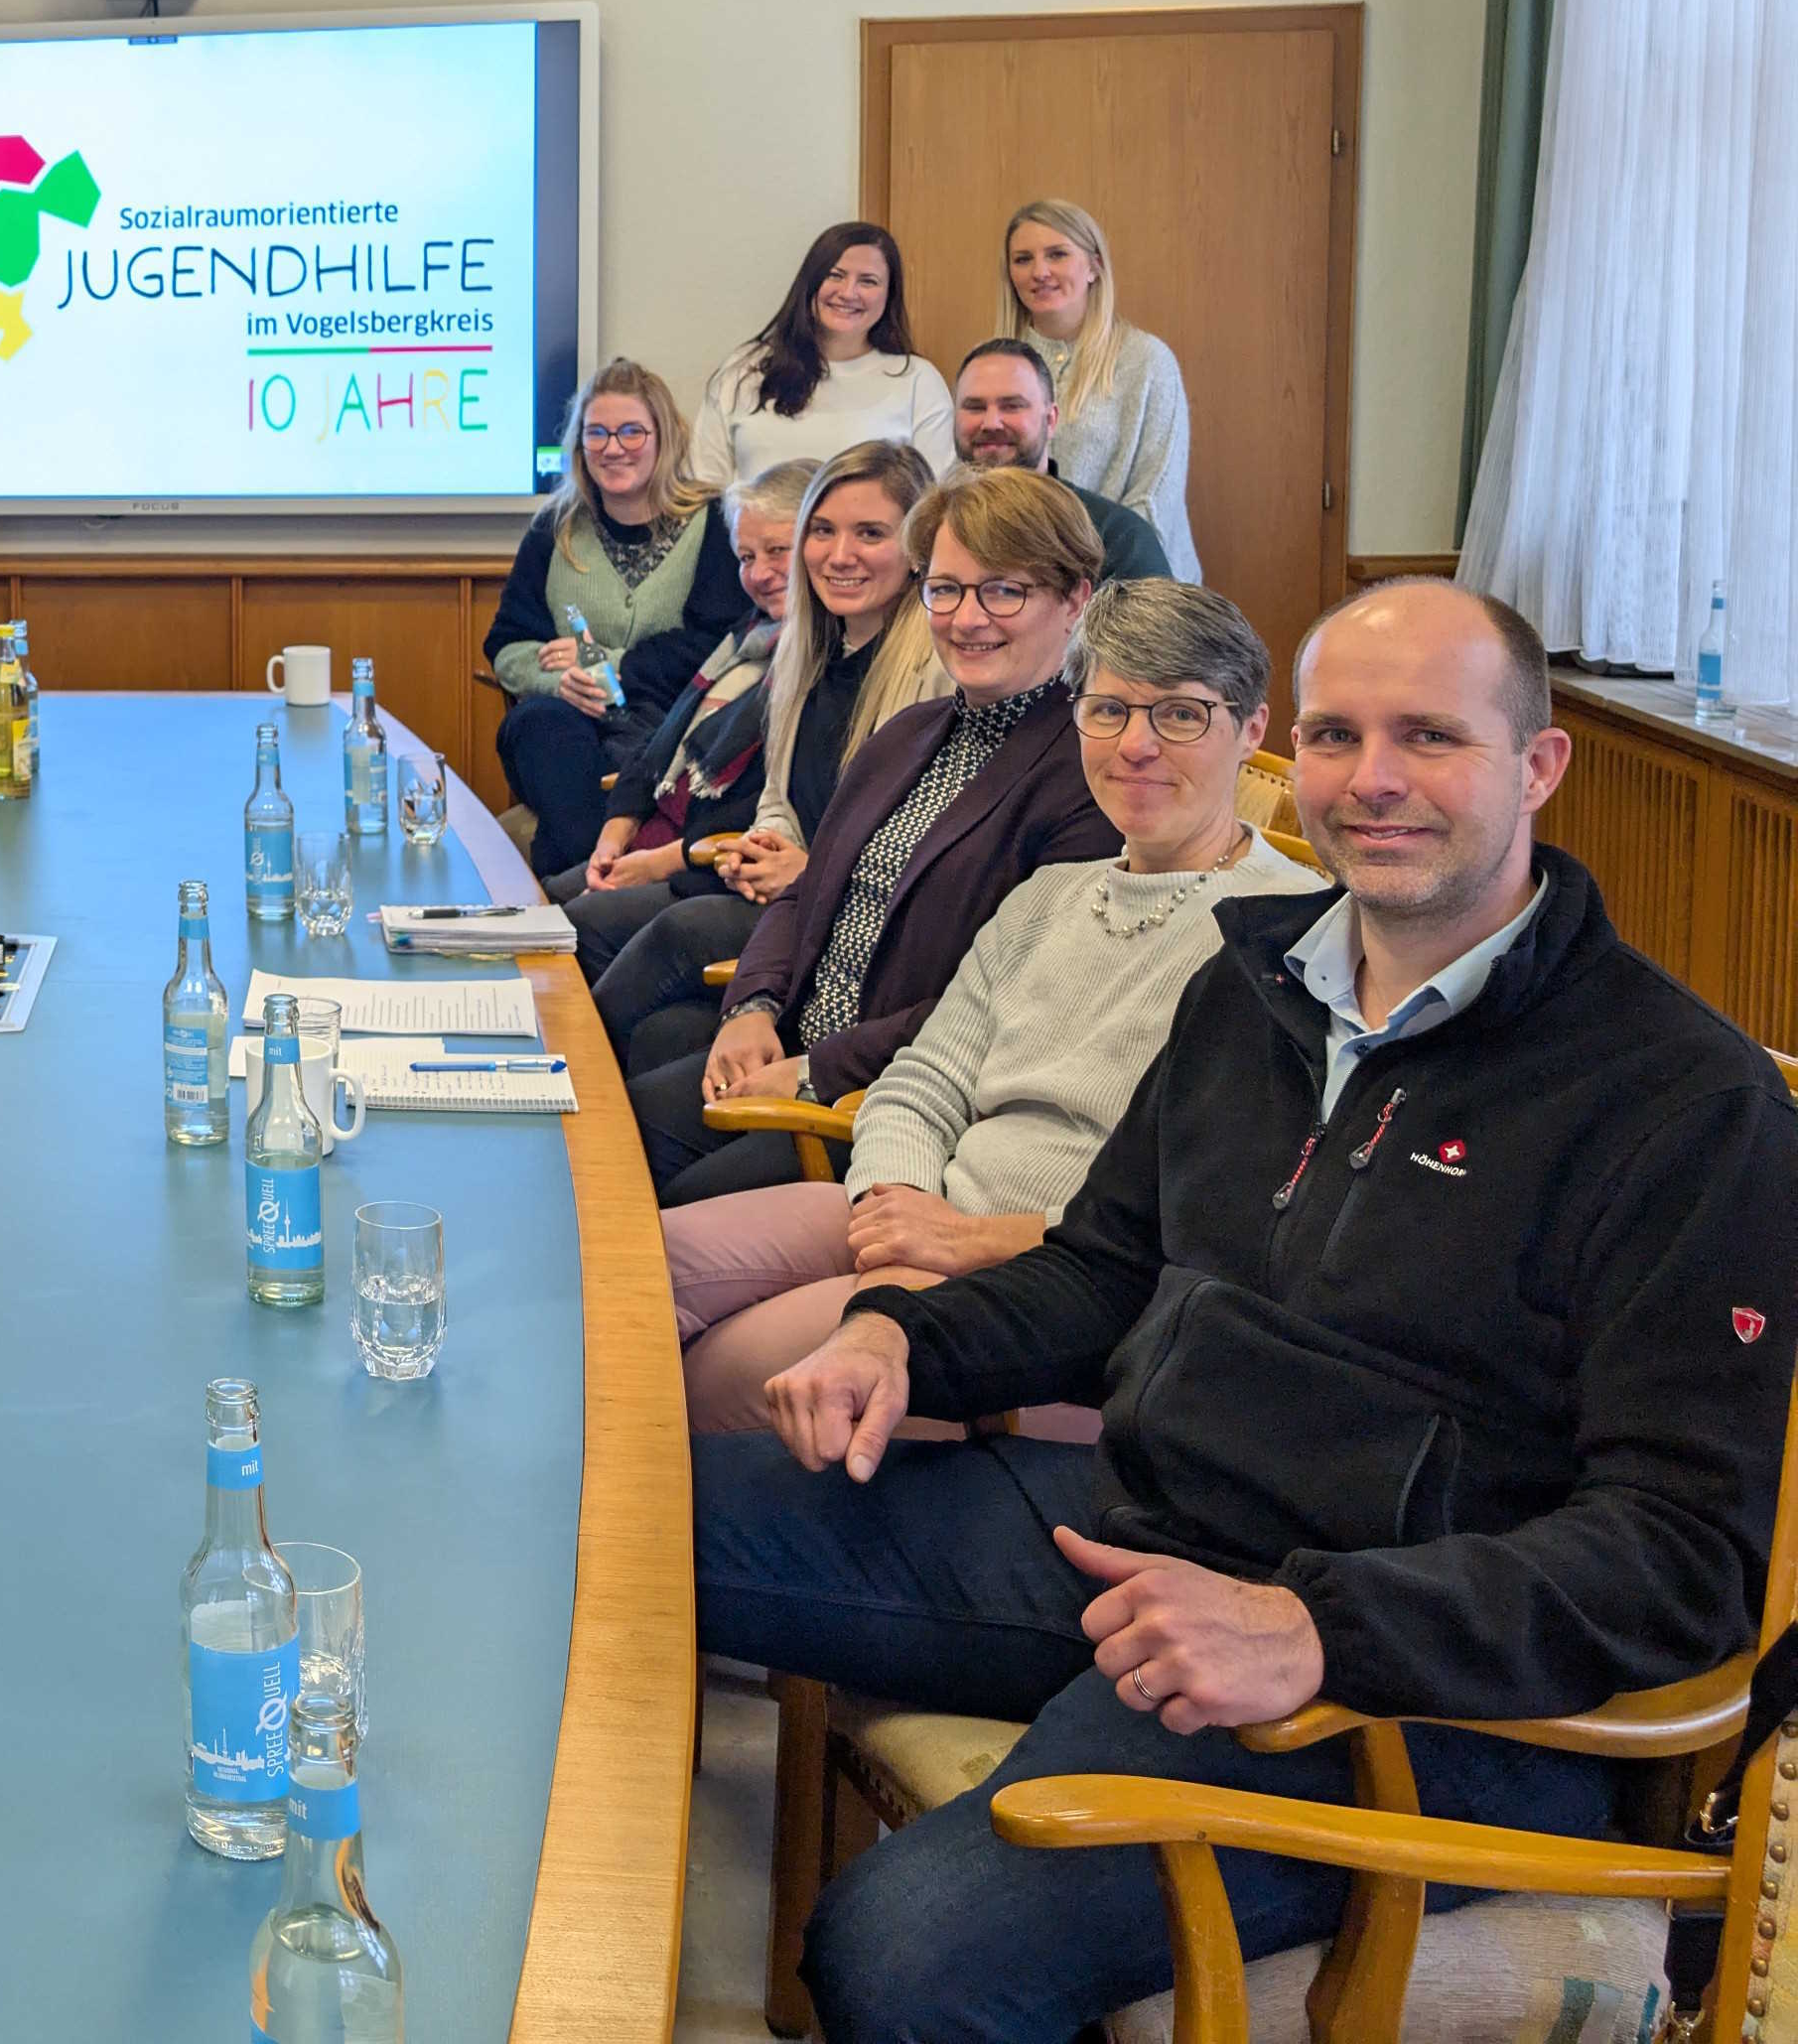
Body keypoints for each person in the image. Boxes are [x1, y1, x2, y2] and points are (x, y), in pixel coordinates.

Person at [698, 580, 1798, 2043]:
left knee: (904, 1957)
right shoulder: (1255, 984)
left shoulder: (1680, 1101)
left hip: (1409, 1681)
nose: (1373, 780)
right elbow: (1105, 1268)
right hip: (1140, 1527)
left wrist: (1316, 1630)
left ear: (1539, 766)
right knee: (651, 1521)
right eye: (1339, 736)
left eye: (1431, 737)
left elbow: (1681, 1559)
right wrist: (902, 1334)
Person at [660, 579, 1316, 1433]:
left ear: (1252, 729)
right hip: (916, 1208)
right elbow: (921, 1078)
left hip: (1052, 1273)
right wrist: (897, 1205)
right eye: (1108, 710)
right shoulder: (1047, 896)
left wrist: (962, 1243)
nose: (1136, 746)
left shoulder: (1288, 932)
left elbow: (1206, 1215)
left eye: (1181, 715)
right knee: (630, 1273)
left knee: (714, 1377)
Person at [631, 467, 1118, 1205]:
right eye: (946, 589)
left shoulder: (1087, 774)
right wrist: (753, 1008)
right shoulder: (911, 731)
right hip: (796, 1051)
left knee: (650, 1194)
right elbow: (806, 895)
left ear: (1074, 600)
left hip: (891, 1108)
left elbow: (1001, 1001)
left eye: (1004, 591)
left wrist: (813, 1070)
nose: (966, 617)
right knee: (610, 1124)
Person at [585, 443, 934, 1048]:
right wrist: (767, 843)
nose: (840, 554)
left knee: (674, 932)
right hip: (785, 889)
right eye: (822, 531)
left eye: (870, 533)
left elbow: (916, 841)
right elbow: (778, 799)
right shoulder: (805, 648)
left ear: (916, 550)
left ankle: (561, 1072)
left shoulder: (933, 666)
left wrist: (804, 870)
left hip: (855, 919)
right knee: (658, 1035)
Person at [481, 356, 751, 866]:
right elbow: (506, 643)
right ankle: (589, 871)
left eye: (631, 432)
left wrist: (614, 663)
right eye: (597, 433)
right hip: (567, 723)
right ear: (579, 444)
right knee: (536, 725)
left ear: (663, 437)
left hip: (672, 722)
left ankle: (568, 893)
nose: (613, 448)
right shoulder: (554, 526)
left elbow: (721, 643)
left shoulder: (713, 522)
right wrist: (554, 681)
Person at [557, 461, 802, 937]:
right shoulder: (745, 636)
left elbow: (758, 809)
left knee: (572, 928)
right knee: (539, 899)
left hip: (704, 866)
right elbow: (660, 747)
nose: (761, 574)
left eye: (778, 552)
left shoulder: (815, 660)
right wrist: (614, 838)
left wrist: (653, 865)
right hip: (655, 840)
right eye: (747, 558)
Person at [682, 222, 956, 493]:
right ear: (810, 282)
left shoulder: (918, 380)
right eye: (835, 275)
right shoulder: (743, 371)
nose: (848, 293)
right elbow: (704, 491)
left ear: (889, 294)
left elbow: (934, 502)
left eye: (868, 281)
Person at [1004, 197, 1196, 578]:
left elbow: (1155, 493)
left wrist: (1080, 577)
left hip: (1127, 581)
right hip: (1019, 585)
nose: (1039, 271)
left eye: (1057, 254)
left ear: (1094, 266)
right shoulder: (995, 363)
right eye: (1023, 259)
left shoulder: (1146, 360)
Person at [947, 335, 1172, 583]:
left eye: (1012, 406)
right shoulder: (930, 529)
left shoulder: (1118, 538)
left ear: (1051, 420)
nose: (991, 423)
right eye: (975, 407)